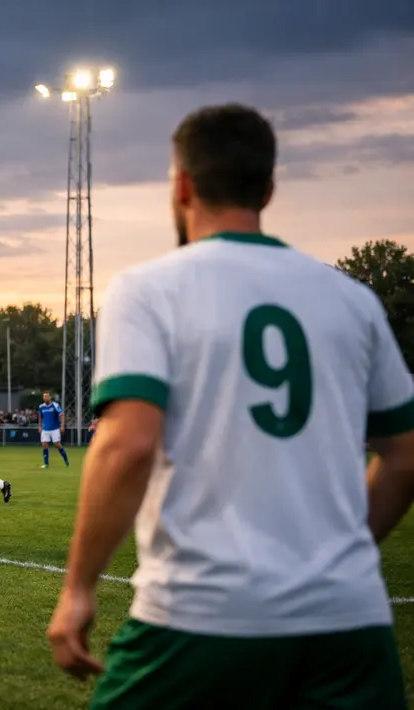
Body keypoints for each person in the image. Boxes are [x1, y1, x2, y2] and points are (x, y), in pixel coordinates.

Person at [46, 103, 414, 709]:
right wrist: (339, 554)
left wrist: (79, 587)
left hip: (203, 615)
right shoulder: (353, 301)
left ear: (182, 184)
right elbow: (405, 455)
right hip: (349, 624)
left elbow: (129, 444)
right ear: (269, 188)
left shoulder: (150, 289)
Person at [38, 392, 69, 468]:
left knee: (57, 445)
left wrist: (62, 425)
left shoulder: (55, 405)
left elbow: (61, 415)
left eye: (47, 396)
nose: (45, 398)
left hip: (54, 429)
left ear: (50, 397)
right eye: (44, 396)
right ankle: (46, 464)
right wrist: (40, 426)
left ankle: (66, 459)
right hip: (45, 429)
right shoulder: (41, 407)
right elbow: (40, 417)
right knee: (44, 445)